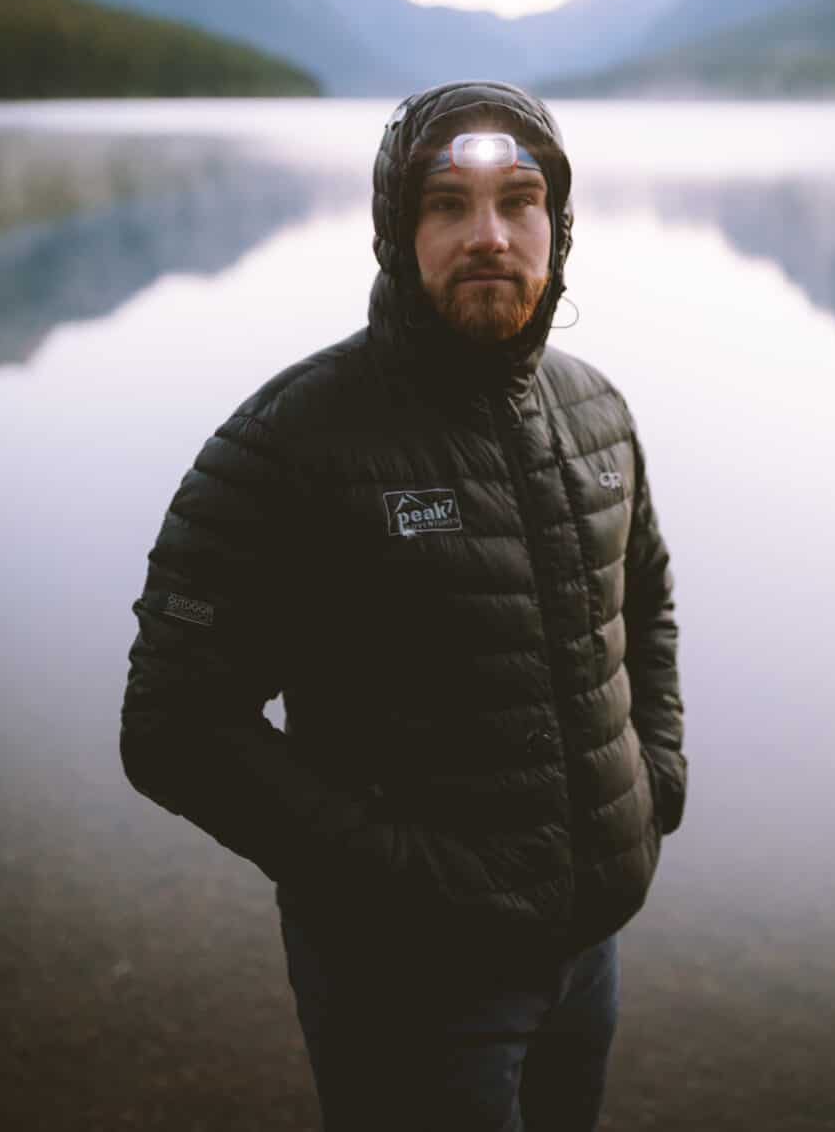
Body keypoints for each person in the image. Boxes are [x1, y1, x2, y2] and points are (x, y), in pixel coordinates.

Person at [120, 80, 687, 1132]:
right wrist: (396, 884)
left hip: (586, 948)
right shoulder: (290, 445)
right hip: (406, 982)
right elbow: (174, 727)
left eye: (519, 202)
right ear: (394, 230)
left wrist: (654, 784)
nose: (488, 235)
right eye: (445, 204)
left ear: (556, 229)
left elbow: (642, 602)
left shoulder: (596, 411)